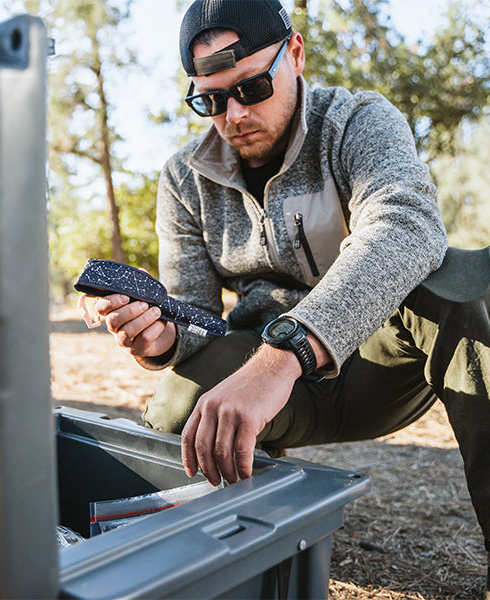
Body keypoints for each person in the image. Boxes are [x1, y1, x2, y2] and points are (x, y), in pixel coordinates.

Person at [93, 0, 490, 593]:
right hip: (280, 387)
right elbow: (197, 316)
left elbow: (407, 227)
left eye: (252, 87)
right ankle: (223, 550)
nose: (232, 114)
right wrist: (165, 337)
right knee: (178, 407)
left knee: (454, 289)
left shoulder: (357, 121)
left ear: (295, 54)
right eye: (210, 99)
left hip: (384, 366)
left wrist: (286, 355)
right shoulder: (183, 178)